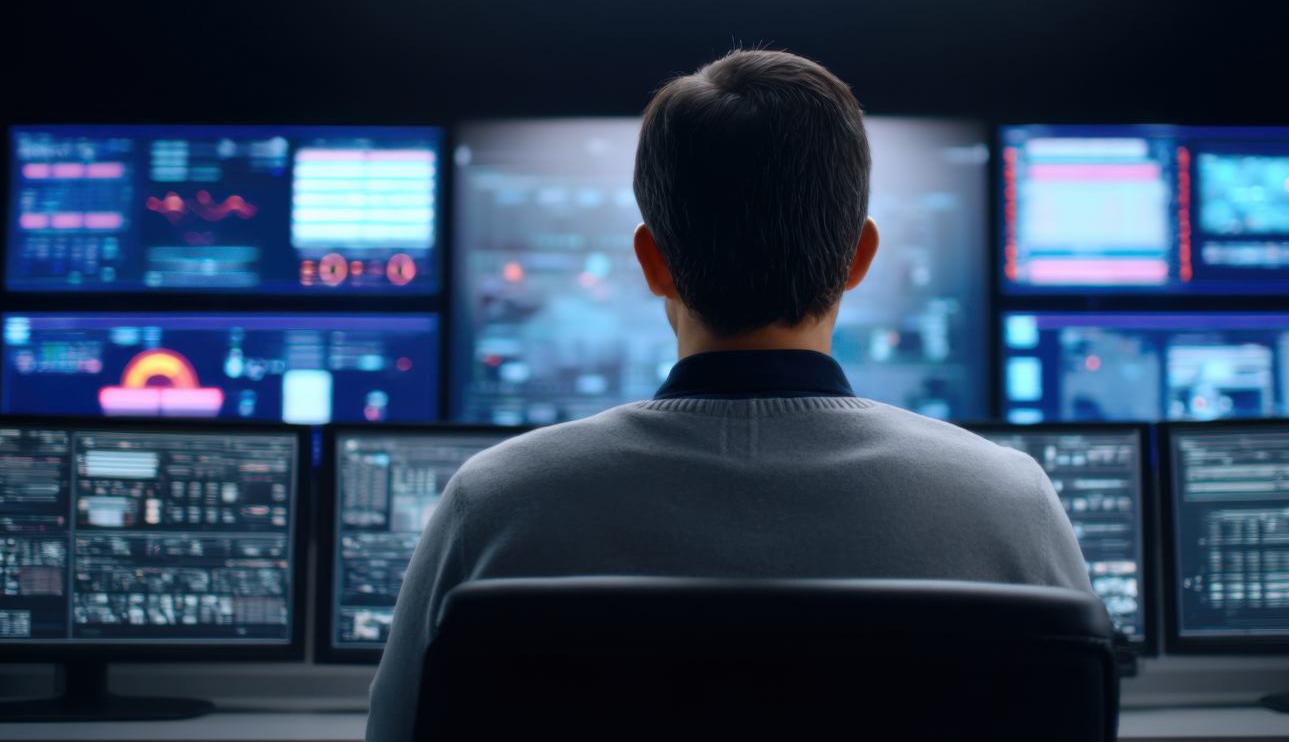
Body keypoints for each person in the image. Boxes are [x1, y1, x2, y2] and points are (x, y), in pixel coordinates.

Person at [366, 49, 1091, 739]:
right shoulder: (1009, 501)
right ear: (860, 259)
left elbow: (398, 731)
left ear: (653, 263)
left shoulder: (492, 502)